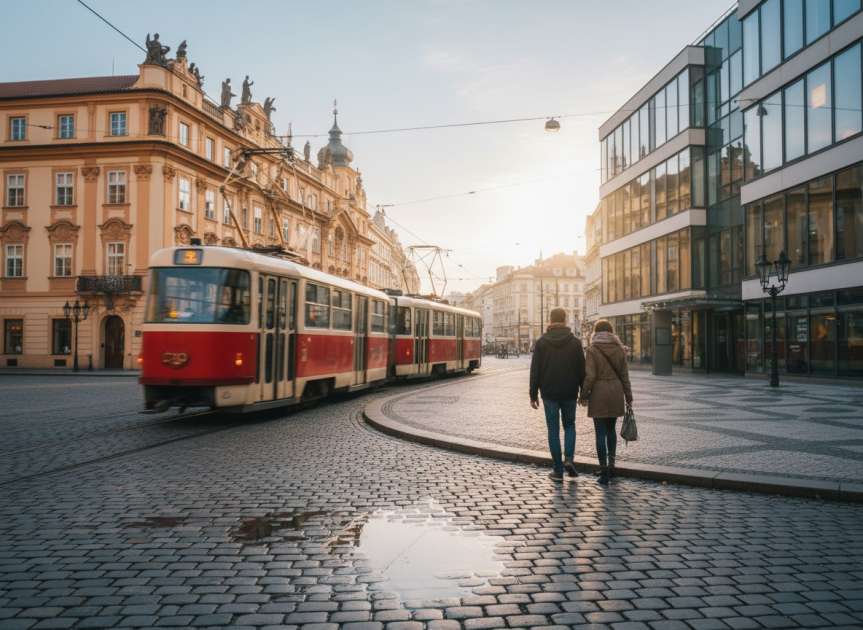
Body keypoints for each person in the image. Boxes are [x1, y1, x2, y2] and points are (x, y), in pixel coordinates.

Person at [529, 308, 586, 482]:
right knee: (570, 426)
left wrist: (533, 394)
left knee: (553, 430)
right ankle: (569, 459)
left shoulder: (542, 342)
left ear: (550, 320)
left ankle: (557, 470)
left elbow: (535, 371)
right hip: (570, 392)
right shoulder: (575, 342)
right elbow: (582, 370)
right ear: (565, 319)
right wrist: (584, 393)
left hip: (549, 393)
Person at [579, 319, 633, 486]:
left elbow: (590, 376)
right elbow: (625, 375)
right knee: (611, 430)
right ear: (611, 332)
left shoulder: (593, 349)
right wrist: (629, 396)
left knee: (600, 432)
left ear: (596, 331)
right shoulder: (619, 349)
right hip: (616, 392)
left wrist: (583, 394)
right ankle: (611, 467)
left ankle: (603, 472)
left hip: (599, 393)